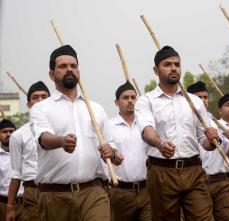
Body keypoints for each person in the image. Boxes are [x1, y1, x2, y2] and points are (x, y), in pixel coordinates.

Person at [135, 46, 224, 221]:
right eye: (167, 64)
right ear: (156, 70)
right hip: (162, 171)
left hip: (194, 170)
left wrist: (214, 139)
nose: (174, 68)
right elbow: (147, 131)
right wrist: (159, 143)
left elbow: (204, 141)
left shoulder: (195, 101)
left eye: (177, 64)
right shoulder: (146, 101)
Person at [29, 45, 116, 221]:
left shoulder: (96, 109)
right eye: (63, 66)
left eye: (74, 65)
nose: (70, 69)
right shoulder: (41, 108)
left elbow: (111, 146)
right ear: (52, 75)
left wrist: (112, 153)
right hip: (55, 196)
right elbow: (44, 139)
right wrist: (61, 141)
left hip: (93, 193)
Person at [187, 81, 229, 220]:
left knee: (227, 218)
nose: (203, 101)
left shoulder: (217, 123)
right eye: (198, 97)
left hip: (220, 181)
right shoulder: (184, 124)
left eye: (205, 97)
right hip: (197, 183)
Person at [6, 81, 50, 221]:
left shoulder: (62, 129)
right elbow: (16, 173)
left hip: (59, 190)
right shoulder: (18, 136)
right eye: (35, 97)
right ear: (28, 104)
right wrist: (10, 207)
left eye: (44, 97)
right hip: (32, 191)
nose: (40, 101)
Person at [108, 81, 151, 221]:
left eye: (133, 97)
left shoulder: (147, 125)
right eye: (125, 98)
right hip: (121, 192)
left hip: (147, 191)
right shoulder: (109, 126)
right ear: (116, 102)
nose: (130, 101)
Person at [0, 119, 23, 221]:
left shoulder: (24, 154)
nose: (8, 134)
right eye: (4, 132)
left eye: (11, 131)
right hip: (2, 206)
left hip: (23, 205)